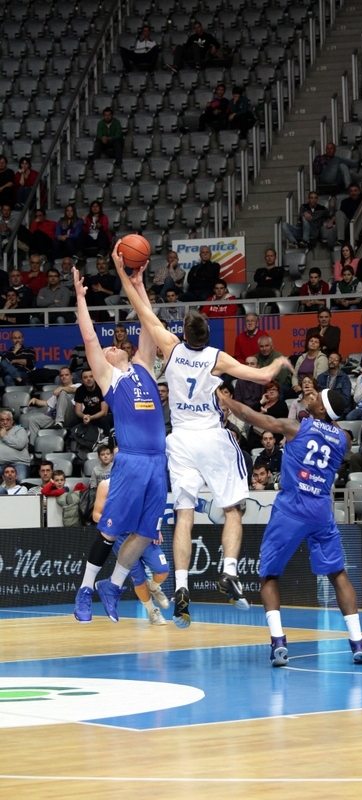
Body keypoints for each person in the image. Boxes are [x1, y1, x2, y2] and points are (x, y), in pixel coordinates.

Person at [115, 255, 293, 629]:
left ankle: (181, 587)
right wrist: (279, 363)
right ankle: (228, 571)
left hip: (179, 440)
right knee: (233, 509)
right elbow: (262, 376)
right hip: (211, 437)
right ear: (207, 335)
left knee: (184, 515)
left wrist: (128, 274)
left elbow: (143, 312)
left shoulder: (170, 347)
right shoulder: (217, 358)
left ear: (184, 332)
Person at [220, 387, 362, 666]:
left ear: (322, 409)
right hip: (321, 511)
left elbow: (249, 416)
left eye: (316, 398)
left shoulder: (295, 427)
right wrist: (328, 420)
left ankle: (278, 642)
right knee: (338, 575)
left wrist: (224, 398)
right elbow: (337, 434)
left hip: (291, 508)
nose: (310, 397)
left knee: (269, 576)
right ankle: (358, 643)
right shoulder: (344, 439)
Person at [72, 256, 168, 625]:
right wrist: (81, 298)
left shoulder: (143, 365)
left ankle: (112, 586)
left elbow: (148, 322)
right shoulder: (109, 378)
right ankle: (85, 589)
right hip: (131, 459)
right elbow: (88, 337)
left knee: (144, 533)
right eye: (108, 348)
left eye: (114, 345)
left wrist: (139, 284)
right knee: (110, 531)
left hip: (158, 462)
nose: (113, 346)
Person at [90, 477, 170, 626]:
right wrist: (114, 524)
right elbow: (96, 515)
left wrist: (156, 528)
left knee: (163, 570)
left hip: (142, 533)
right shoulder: (106, 485)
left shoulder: (140, 480)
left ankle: (154, 588)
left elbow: (152, 508)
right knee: (138, 579)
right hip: (121, 538)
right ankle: (152, 611)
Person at [27, 366, 80, 444]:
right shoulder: (59, 390)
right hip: (56, 416)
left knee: (63, 392)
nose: (64, 377)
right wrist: (36, 400)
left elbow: (74, 390)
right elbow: (47, 403)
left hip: (72, 416)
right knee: (32, 419)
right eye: (61, 375)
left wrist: (62, 389)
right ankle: (32, 446)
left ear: (71, 376)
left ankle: (59, 421)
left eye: (66, 375)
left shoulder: (78, 385)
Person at [249, 380, 289, 449]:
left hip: (274, 432)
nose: (271, 391)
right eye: (268, 390)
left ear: (278, 392)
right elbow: (250, 412)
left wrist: (266, 411)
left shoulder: (282, 404)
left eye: (274, 389)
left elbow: (280, 413)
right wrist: (261, 402)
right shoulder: (263, 404)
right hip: (258, 432)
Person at [316, 352, 352, 416]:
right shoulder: (321, 377)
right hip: (323, 409)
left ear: (339, 363)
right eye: (330, 359)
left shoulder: (344, 378)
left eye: (335, 359)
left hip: (339, 410)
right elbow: (317, 394)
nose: (332, 361)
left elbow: (345, 399)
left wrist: (331, 406)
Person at [0, 410, 31, 480]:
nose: (5, 422)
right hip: (1, 464)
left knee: (20, 480)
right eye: (2, 420)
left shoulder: (19, 430)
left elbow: (20, 444)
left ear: (12, 421)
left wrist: (4, 437)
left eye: (7, 420)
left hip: (19, 463)